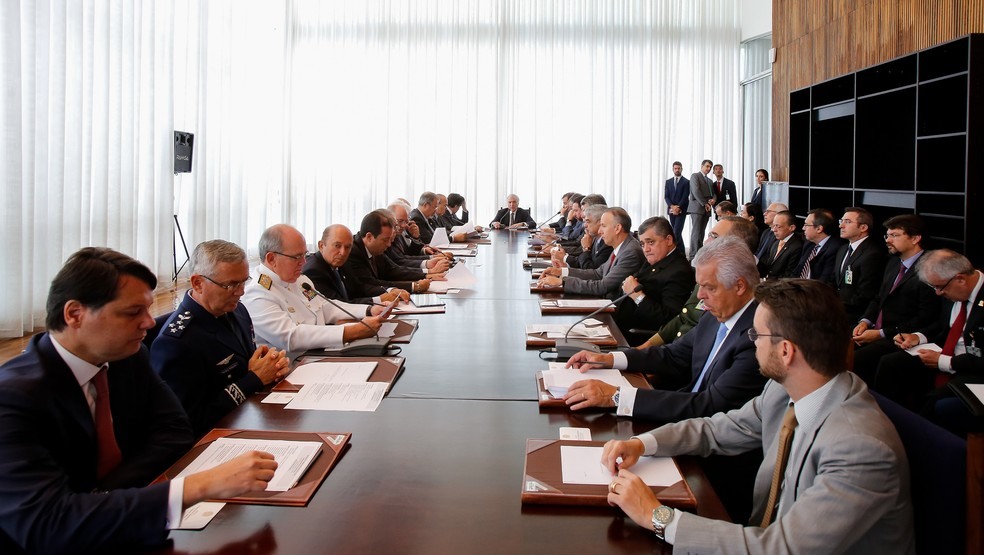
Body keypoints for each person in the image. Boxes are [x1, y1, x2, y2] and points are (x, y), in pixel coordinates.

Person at [601, 279, 914, 554]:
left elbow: (783, 548)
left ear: (786, 351)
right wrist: (642, 443)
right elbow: (716, 430)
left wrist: (657, 516)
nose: (750, 341)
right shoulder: (783, 391)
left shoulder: (860, 448)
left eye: (757, 335)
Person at [0, 247, 278, 553]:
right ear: (75, 314)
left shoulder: (127, 358)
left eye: (147, 309)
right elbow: (46, 525)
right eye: (133, 312)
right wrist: (198, 486)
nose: (149, 323)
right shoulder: (13, 398)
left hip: (125, 528)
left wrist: (97, 498)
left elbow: (175, 431)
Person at [565, 236, 766, 423]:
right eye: (700, 287)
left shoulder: (759, 337)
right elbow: (673, 355)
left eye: (710, 288)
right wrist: (608, 359)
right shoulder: (717, 314)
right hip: (682, 415)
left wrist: (616, 396)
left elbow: (710, 405)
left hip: (705, 440)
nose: (701, 296)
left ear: (739, 286)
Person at [152, 240, 289, 436]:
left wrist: (270, 365)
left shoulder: (237, 310)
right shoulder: (176, 343)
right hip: (217, 436)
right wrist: (254, 379)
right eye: (231, 285)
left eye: (243, 281)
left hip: (251, 416)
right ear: (198, 283)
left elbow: (247, 363)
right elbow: (188, 423)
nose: (241, 292)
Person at [241, 224, 385, 360]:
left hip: (321, 355)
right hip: (292, 371)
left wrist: (369, 310)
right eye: (297, 257)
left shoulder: (299, 281)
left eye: (304, 255)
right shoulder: (257, 293)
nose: (304, 262)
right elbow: (291, 337)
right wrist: (352, 332)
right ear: (272, 258)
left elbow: (325, 307)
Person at [875, 249, 984, 410]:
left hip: (972, 368)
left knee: (932, 403)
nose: (938, 293)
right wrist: (918, 337)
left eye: (939, 287)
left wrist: (944, 361)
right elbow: (943, 325)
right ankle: (883, 418)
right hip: (946, 352)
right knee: (889, 364)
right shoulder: (953, 290)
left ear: (960, 279)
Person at [637, 217, 760, 349]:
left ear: (737, 246)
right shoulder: (708, 276)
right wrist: (646, 346)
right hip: (675, 348)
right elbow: (683, 317)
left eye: (714, 237)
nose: (706, 242)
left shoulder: (735, 286)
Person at [851, 215, 940, 381]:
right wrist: (865, 321)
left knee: (856, 360)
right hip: (875, 328)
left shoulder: (930, 269)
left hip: (899, 335)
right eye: (887, 235)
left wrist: (881, 333)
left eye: (894, 235)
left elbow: (925, 317)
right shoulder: (892, 262)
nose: (888, 240)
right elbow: (879, 297)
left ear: (915, 238)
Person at [615, 216, 695, 344]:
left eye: (651, 242)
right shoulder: (656, 259)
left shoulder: (679, 271)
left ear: (668, 240)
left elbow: (668, 319)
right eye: (642, 244)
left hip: (637, 339)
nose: (646, 249)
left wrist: (638, 296)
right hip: (619, 326)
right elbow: (628, 284)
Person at [537, 207, 644, 298]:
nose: (600, 231)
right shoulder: (622, 246)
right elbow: (597, 273)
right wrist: (561, 272)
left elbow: (603, 286)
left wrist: (562, 282)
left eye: (603, 226)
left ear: (617, 228)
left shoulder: (630, 252)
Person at [303, 224, 410, 304]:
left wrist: (391, 290)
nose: (343, 252)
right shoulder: (313, 271)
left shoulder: (341, 263)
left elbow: (360, 287)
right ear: (321, 245)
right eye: (337, 245)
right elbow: (339, 305)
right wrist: (379, 300)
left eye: (348, 247)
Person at [344, 209, 437, 296]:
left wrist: (426, 274)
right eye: (386, 240)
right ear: (369, 237)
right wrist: (414, 286)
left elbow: (392, 269)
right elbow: (370, 284)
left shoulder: (376, 247)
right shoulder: (353, 252)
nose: (389, 244)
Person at [834, 207, 887, 325]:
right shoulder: (842, 249)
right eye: (841, 221)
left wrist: (831, 304)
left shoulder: (873, 254)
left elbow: (865, 295)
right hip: (836, 309)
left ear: (863, 227)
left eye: (847, 222)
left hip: (854, 316)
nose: (841, 226)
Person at [791, 208, 846, 285]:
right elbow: (797, 271)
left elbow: (823, 282)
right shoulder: (809, 243)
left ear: (819, 229)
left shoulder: (834, 249)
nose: (803, 228)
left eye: (806, 225)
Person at [550, 203, 610, 270]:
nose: (585, 225)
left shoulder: (607, 243)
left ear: (600, 222)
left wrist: (586, 249)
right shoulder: (595, 238)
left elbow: (590, 269)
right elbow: (582, 261)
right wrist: (565, 266)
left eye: (588, 221)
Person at [757, 210, 804, 280]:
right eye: (773, 225)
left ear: (792, 228)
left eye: (778, 226)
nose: (774, 230)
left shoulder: (797, 247)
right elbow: (768, 267)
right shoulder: (775, 242)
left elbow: (789, 276)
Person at [686, 159, 714, 259]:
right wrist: (705, 203)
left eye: (710, 167)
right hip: (697, 208)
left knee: (702, 233)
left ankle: (699, 254)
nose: (709, 168)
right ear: (702, 166)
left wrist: (713, 200)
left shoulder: (710, 181)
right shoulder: (695, 176)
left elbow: (713, 194)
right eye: (707, 166)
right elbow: (695, 191)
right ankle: (693, 256)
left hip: (707, 209)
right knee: (696, 232)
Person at [663, 161, 689, 247]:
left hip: (681, 209)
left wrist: (678, 207)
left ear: (682, 169)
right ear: (673, 169)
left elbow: (685, 196)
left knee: (676, 232)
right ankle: (682, 253)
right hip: (671, 210)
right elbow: (666, 196)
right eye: (675, 168)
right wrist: (672, 207)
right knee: (676, 231)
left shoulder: (686, 182)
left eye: (679, 168)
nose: (677, 170)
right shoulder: (668, 182)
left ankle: (673, 252)